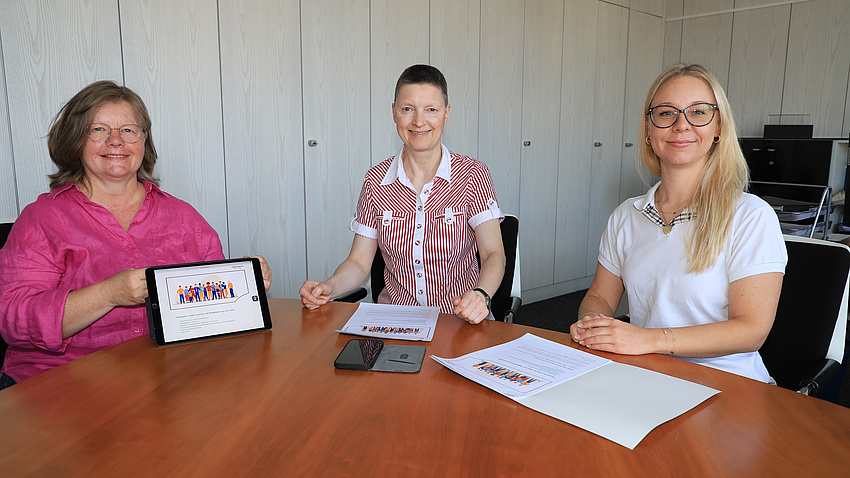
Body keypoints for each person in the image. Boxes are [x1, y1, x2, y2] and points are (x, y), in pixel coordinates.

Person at [0, 80, 272, 390]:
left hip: (164, 379)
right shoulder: (42, 218)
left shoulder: (185, 217)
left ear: (144, 142)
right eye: (98, 130)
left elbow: (211, 314)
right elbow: (14, 320)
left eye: (128, 130)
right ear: (75, 141)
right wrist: (108, 294)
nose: (115, 141)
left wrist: (244, 287)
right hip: (59, 382)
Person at [570, 64, 787, 382]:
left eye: (698, 112)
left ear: (718, 128)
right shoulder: (626, 215)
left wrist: (649, 340)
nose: (681, 125)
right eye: (666, 113)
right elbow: (600, 297)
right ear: (648, 129)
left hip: (728, 383)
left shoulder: (750, 215)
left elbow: (751, 330)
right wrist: (593, 322)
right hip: (648, 374)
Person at [299, 64, 505, 324]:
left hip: (459, 320)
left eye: (431, 109)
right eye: (408, 109)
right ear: (394, 112)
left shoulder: (472, 174)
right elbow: (359, 262)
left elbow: (493, 254)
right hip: (396, 323)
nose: (418, 121)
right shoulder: (375, 181)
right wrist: (329, 287)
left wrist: (480, 295)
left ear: (446, 113)